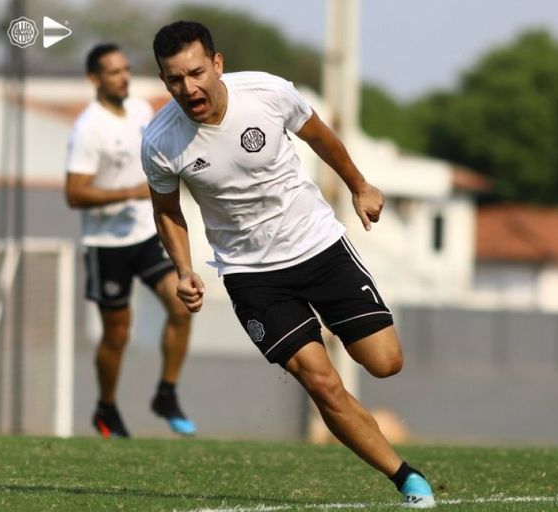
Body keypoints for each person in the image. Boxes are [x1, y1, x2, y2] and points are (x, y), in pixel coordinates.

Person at [141, 21, 435, 508]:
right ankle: (408, 480)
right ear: (164, 81)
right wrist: (184, 269)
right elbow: (167, 211)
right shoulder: (160, 141)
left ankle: (344, 328)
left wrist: (359, 185)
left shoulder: (268, 93)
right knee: (320, 380)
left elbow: (320, 137)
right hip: (250, 275)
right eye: (174, 79)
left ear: (217, 64)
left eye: (195, 72)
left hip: (319, 247)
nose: (188, 88)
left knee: (385, 363)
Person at [65, 43, 196, 438]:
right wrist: (128, 193)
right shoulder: (88, 128)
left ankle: (166, 392)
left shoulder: (141, 110)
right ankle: (106, 408)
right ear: (95, 80)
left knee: (181, 305)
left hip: (144, 236)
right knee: (117, 333)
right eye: (113, 72)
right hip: (106, 246)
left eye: (126, 69)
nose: (123, 77)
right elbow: (74, 193)